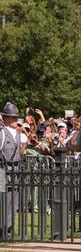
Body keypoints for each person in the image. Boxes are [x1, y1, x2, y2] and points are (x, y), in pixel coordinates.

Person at [0, 102, 28, 240]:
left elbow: (21, 154)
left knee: (14, 200)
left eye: (16, 117)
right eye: (13, 118)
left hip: (15, 169)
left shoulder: (18, 135)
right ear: (5, 118)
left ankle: (9, 228)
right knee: (4, 200)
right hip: (3, 170)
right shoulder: (2, 133)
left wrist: (26, 142)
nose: (16, 120)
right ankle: (2, 229)